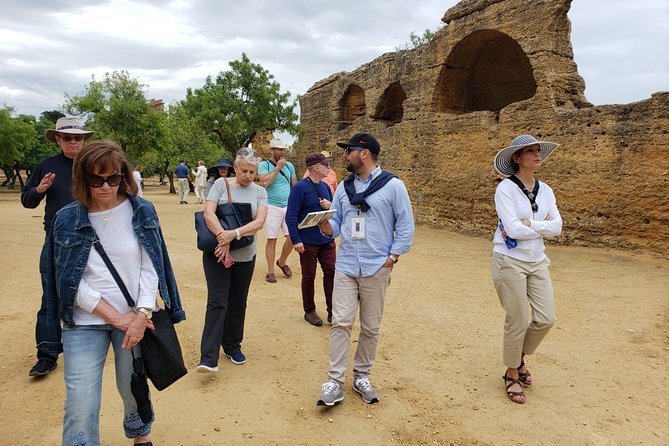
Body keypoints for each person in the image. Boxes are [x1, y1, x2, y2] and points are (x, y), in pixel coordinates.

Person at [44, 140, 185, 445]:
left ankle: (140, 435)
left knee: (132, 385)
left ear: (124, 176)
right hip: (84, 321)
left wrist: (141, 313)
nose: (105, 186)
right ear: (83, 178)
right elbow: (67, 280)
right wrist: (116, 318)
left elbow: (152, 267)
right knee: (80, 400)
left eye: (113, 178)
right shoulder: (66, 219)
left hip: (135, 318)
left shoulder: (142, 210)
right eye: (96, 179)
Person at [316, 133, 414, 407]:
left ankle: (362, 376)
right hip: (346, 264)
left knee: (371, 326)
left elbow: (405, 225)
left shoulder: (393, 186)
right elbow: (335, 225)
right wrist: (326, 227)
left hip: (376, 266)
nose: (344, 156)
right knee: (341, 323)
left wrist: (392, 257)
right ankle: (334, 382)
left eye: (348, 151)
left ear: (364, 153)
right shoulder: (343, 188)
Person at [21, 116, 94, 377]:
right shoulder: (47, 165)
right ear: (59, 140)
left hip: (93, 238)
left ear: (84, 140)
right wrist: (39, 190)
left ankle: (99, 342)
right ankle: (48, 354)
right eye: (68, 137)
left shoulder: (93, 164)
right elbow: (27, 201)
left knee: (97, 291)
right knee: (50, 294)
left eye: (78, 137)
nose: (73, 142)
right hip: (57, 240)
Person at [491, 134, 562, 404]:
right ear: (517, 158)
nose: (537, 155)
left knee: (546, 318)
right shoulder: (505, 190)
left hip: (537, 260)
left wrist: (531, 225)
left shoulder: (546, 190)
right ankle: (511, 372)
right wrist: (540, 226)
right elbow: (512, 229)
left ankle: (519, 357)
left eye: (538, 151)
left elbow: (558, 226)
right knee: (518, 318)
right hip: (509, 260)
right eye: (530, 152)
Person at [197, 148, 268, 372]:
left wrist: (233, 235)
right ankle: (208, 357)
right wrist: (222, 238)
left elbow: (259, 223)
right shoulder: (220, 185)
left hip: (245, 255)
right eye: (244, 170)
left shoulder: (260, 192)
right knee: (217, 302)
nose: (247, 175)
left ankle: (232, 345)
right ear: (235, 167)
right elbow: (209, 213)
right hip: (218, 254)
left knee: (238, 302)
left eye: (252, 171)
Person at [286, 153, 336, 327]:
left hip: (326, 240)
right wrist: (296, 240)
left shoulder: (326, 187)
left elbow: (332, 212)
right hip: (307, 241)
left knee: (331, 272)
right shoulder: (299, 188)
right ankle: (309, 311)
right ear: (316, 167)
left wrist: (330, 206)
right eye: (326, 165)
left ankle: (332, 311)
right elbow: (291, 216)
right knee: (309, 275)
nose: (329, 168)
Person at [258, 138, 297, 283]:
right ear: (271, 151)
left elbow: (294, 186)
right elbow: (265, 182)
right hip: (272, 206)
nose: (282, 152)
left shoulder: (290, 166)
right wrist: (277, 168)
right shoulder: (264, 165)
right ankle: (270, 271)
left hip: (288, 206)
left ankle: (281, 261)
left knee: (293, 237)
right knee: (272, 239)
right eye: (279, 149)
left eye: (283, 150)